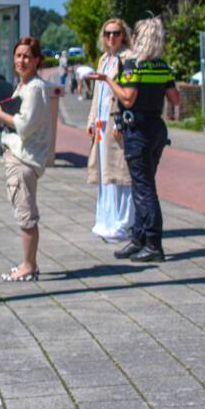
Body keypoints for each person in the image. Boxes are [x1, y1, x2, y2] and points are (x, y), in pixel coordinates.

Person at [88, 17, 178, 262]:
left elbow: (127, 98)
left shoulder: (131, 66)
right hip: (157, 128)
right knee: (143, 184)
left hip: (137, 128)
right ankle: (138, 238)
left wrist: (108, 80)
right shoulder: (162, 66)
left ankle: (152, 242)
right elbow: (175, 98)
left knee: (144, 188)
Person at [0, 37, 51, 282]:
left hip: (24, 159)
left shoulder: (35, 88)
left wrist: (0, 114)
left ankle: (28, 266)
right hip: (18, 155)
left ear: (37, 60)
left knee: (26, 215)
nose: (21, 60)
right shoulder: (23, 86)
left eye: (27, 56)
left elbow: (25, 126)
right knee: (22, 211)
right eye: (18, 56)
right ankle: (28, 263)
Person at [85, 18, 134, 242]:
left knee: (119, 171)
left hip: (116, 120)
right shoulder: (104, 59)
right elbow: (98, 93)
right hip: (102, 121)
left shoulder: (128, 59)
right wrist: (92, 119)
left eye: (115, 33)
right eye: (107, 34)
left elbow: (126, 93)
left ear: (123, 35)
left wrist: (119, 122)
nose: (111, 37)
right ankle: (105, 218)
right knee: (104, 170)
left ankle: (122, 222)